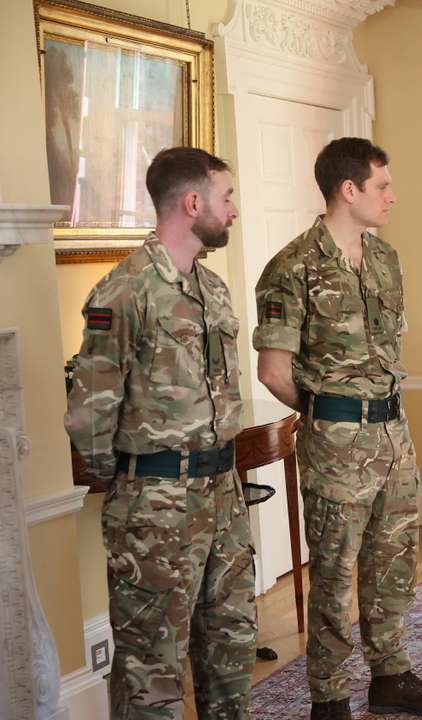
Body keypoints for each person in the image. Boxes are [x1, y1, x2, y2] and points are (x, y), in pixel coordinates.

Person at [254, 138, 422, 720]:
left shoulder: (385, 259)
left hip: (394, 438)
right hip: (336, 445)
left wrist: (374, 415)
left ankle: (390, 676)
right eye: (383, 186)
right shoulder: (291, 269)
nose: (392, 197)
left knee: (393, 563)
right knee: (333, 572)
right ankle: (330, 698)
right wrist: (332, 411)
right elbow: (273, 370)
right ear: (350, 190)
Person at [65, 146, 255, 719]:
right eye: (226, 198)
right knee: (153, 666)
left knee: (232, 644)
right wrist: (128, 485)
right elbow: (90, 411)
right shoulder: (124, 291)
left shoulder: (212, 289)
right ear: (193, 202)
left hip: (222, 492)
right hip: (155, 505)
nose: (233, 211)